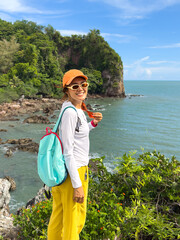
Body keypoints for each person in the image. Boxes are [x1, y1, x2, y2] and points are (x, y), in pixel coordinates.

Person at [47, 69, 103, 240]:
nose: (80, 89)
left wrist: (92, 124)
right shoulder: (71, 113)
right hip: (74, 172)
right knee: (74, 220)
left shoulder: (70, 108)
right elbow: (68, 152)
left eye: (83, 85)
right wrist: (77, 185)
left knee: (59, 216)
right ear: (67, 90)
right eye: (75, 86)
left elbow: (77, 135)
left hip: (64, 173)